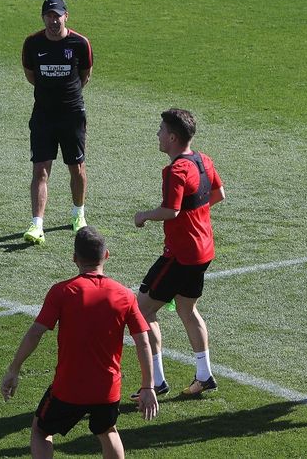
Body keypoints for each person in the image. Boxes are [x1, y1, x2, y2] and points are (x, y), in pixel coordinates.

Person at [1, 227, 158, 459]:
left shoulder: (62, 292)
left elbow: (35, 333)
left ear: (75, 258)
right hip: (107, 389)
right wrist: (148, 386)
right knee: (108, 430)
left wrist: (14, 369)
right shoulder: (125, 295)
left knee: (41, 431)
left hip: (68, 388)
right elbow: (143, 342)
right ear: (106, 255)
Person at [132, 108, 225, 399]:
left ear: (172, 137)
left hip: (180, 255)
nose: (157, 135)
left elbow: (171, 210)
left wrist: (144, 215)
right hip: (204, 251)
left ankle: (156, 381)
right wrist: (195, 217)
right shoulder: (203, 160)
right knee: (187, 309)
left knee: (142, 311)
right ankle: (204, 374)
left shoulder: (175, 171)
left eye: (160, 130)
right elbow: (218, 195)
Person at [21, 0, 94, 245]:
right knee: (40, 170)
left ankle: (78, 214)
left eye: (57, 15)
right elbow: (31, 76)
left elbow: (85, 75)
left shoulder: (80, 43)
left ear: (66, 16)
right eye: (49, 16)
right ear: (43, 17)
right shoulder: (32, 43)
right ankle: (37, 224)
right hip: (42, 115)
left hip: (72, 115)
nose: (53, 20)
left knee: (76, 167)